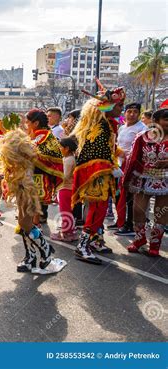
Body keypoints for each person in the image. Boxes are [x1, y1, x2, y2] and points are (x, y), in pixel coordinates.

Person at [72, 80, 126, 264]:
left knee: (100, 210)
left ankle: (94, 241)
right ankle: (82, 246)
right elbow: (94, 152)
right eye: (119, 106)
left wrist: (118, 153)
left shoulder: (108, 125)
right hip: (97, 174)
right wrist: (112, 166)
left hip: (103, 174)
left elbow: (107, 148)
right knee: (96, 210)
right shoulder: (100, 126)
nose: (122, 110)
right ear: (108, 106)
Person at [0, 129, 67, 274]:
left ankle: (47, 254)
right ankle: (30, 258)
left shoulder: (31, 156)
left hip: (29, 191)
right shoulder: (21, 160)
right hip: (22, 190)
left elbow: (47, 164)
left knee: (26, 223)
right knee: (23, 223)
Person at [123, 104, 168, 257]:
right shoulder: (143, 136)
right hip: (142, 178)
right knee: (138, 209)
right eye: (165, 119)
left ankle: (155, 244)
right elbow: (133, 158)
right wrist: (127, 180)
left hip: (166, 180)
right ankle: (139, 239)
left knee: (161, 212)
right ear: (155, 120)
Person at [107, 103, 147, 236]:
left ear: (139, 114)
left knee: (130, 196)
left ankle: (129, 225)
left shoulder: (142, 129)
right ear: (125, 113)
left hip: (134, 166)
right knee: (117, 194)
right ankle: (120, 221)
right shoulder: (122, 127)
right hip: (119, 164)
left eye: (135, 112)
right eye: (129, 111)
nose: (131, 114)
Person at [25, 109, 63, 226]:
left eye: (28, 122)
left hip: (39, 175)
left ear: (35, 123)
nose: (26, 125)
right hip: (31, 174)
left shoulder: (45, 135)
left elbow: (49, 154)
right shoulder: (35, 135)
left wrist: (27, 152)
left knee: (36, 203)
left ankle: (36, 226)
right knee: (30, 203)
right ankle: (32, 224)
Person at [50, 137, 78, 242]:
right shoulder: (69, 158)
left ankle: (66, 234)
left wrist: (54, 172)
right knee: (67, 211)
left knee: (65, 211)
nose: (59, 148)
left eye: (60, 147)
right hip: (67, 188)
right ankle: (70, 231)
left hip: (65, 188)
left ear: (66, 148)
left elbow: (65, 176)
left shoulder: (69, 160)